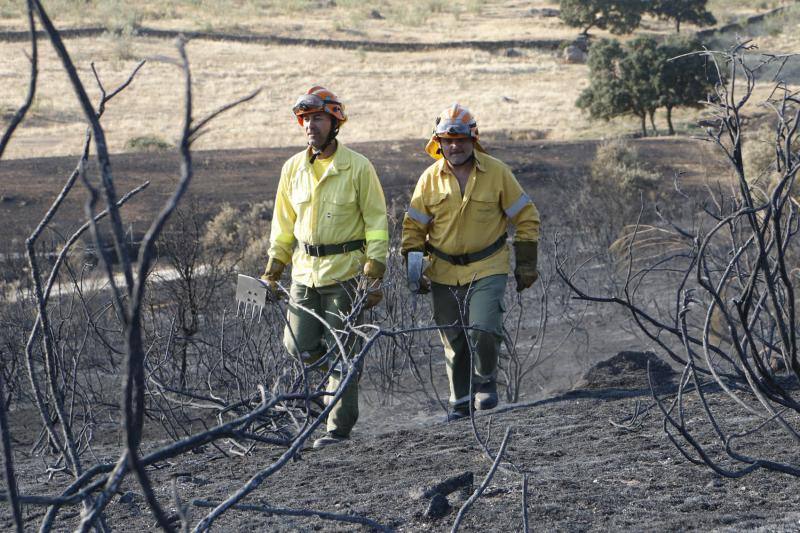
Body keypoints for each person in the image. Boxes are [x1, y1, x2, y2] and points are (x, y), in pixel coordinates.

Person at [263, 86, 389, 448]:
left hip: (346, 274)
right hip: (304, 274)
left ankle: (338, 430)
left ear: (335, 123)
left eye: (317, 118)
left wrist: (373, 272)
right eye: (305, 120)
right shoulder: (292, 169)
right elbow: (282, 227)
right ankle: (341, 380)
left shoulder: (358, 167)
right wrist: (273, 270)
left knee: (342, 351)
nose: (310, 126)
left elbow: (377, 222)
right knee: (296, 345)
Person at [401, 103, 540, 420]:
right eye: (448, 141)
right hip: (443, 270)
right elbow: (413, 229)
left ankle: (485, 379)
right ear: (438, 143)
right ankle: (460, 402)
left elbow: (526, 216)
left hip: (488, 265)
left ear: (473, 140)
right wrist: (413, 269)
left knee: (483, 328)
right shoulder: (429, 180)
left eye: (461, 140)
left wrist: (526, 262)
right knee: (454, 339)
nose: (455, 146)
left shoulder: (497, 173)